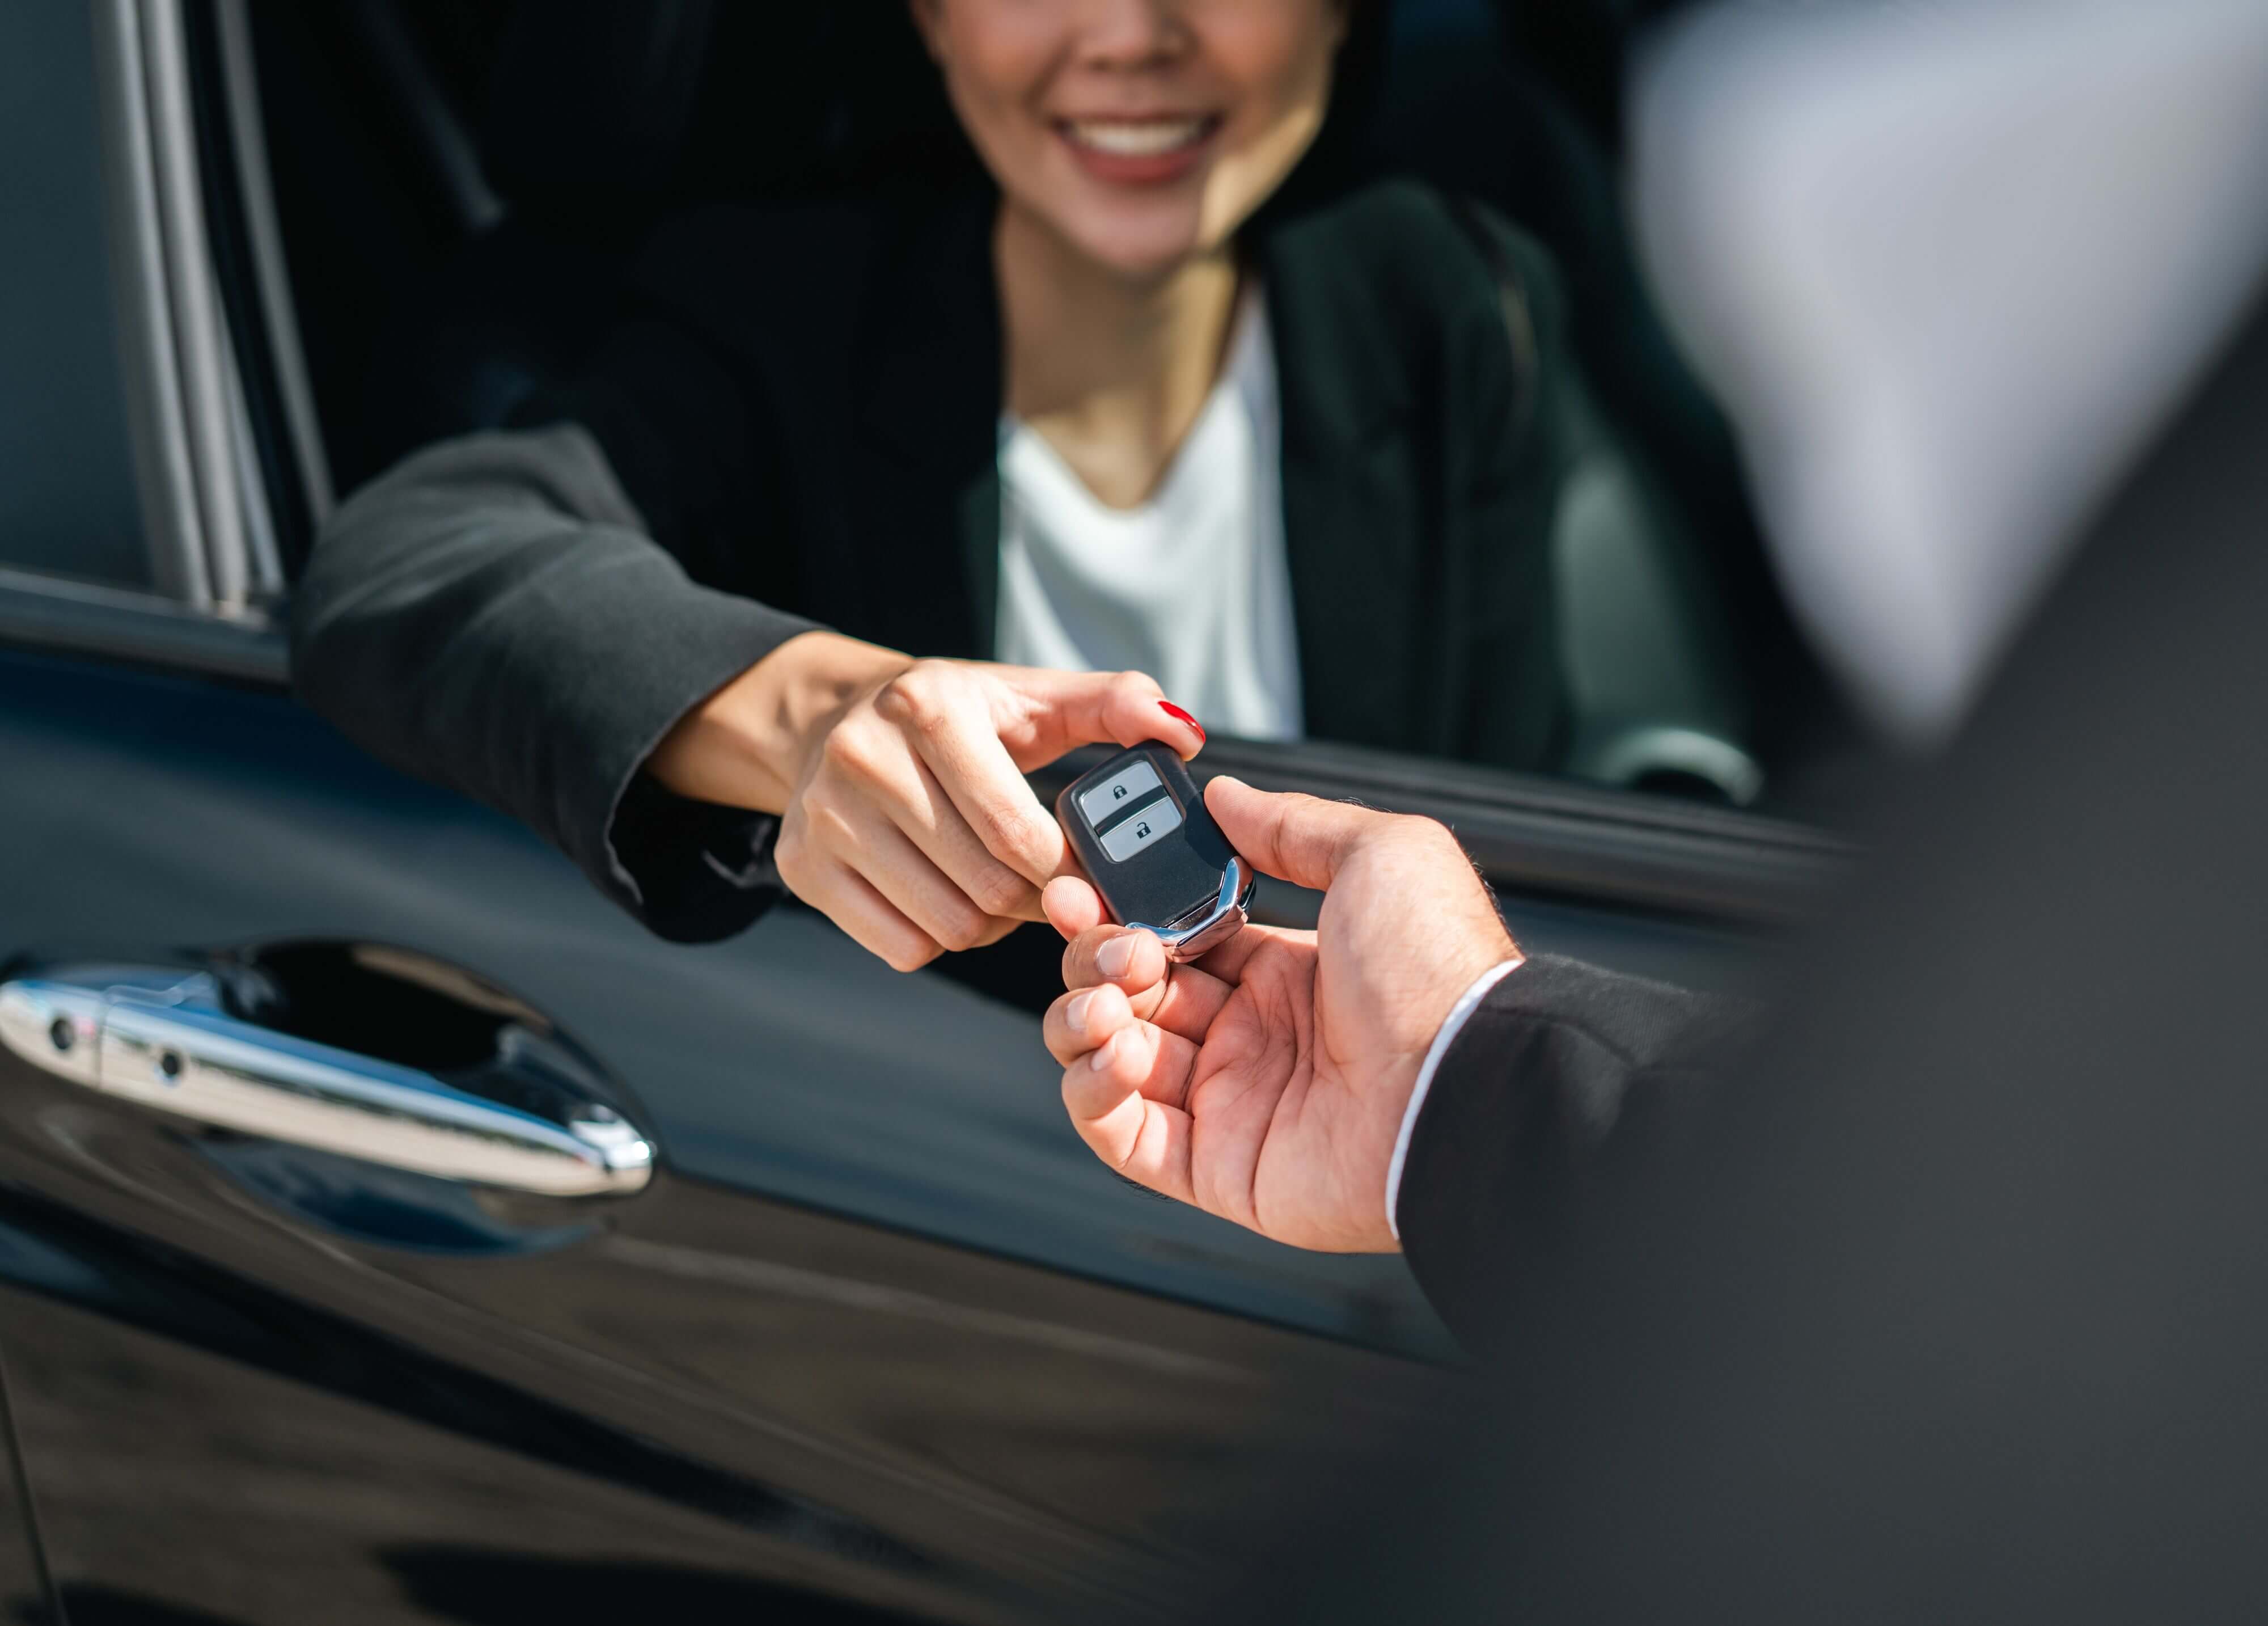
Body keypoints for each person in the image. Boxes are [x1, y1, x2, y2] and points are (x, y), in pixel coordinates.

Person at [290, 0, 1719, 969]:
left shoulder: (1455, 303)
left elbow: (1510, 845)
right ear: (926, 14)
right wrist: (818, 717)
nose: (1128, 39)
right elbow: (407, 563)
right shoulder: (779, 316)